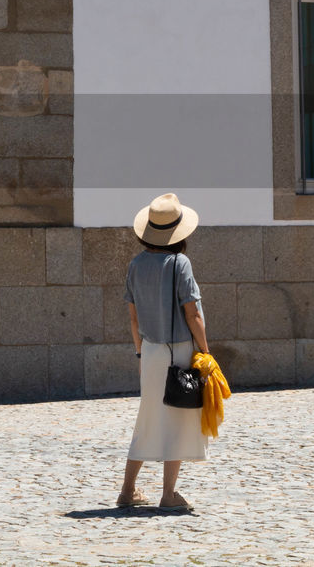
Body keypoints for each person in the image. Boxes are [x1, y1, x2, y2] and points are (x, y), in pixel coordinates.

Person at [116, 192, 211, 511]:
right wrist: (206, 352)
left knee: (147, 420)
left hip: (151, 352)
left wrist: (141, 354)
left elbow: (133, 316)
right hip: (178, 351)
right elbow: (192, 314)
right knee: (178, 420)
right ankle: (168, 495)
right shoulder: (179, 263)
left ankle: (128, 490)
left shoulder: (136, 264)